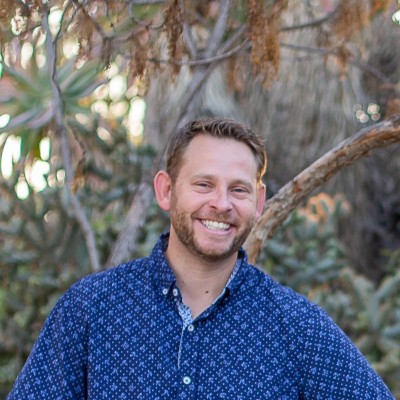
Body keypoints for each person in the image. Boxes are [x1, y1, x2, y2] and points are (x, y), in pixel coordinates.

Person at [8, 118, 394, 399]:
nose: (221, 204)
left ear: (258, 202)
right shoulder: (91, 309)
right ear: (166, 190)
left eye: (238, 190)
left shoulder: (297, 327)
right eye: (204, 184)